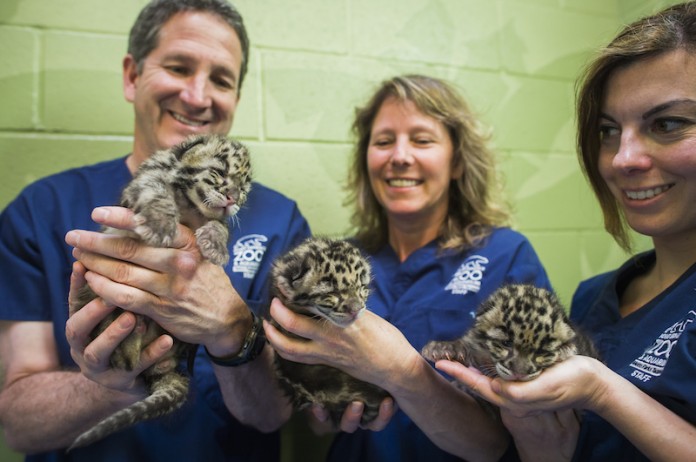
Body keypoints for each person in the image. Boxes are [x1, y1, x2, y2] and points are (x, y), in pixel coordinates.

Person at [0, 1, 311, 461]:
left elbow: (273, 415)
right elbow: (17, 427)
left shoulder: (279, 220)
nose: (198, 96)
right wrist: (107, 386)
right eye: (179, 67)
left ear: (236, 100)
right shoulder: (40, 209)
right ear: (132, 76)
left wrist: (233, 330)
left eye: (222, 79)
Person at [437, 2, 696, 461]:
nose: (623, 158)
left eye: (668, 124)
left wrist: (602, 391)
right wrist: (534, 429)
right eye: (609, 130)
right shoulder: (594, 299)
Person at [264, 74, 553, 461]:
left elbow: (513, 442)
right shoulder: (340, 263)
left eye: (422, 139)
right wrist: (323, 404)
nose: (400, 156)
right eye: (383, 141)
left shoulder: (506, 256)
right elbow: (315, 415)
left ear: (457, 161)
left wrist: (399, 371)